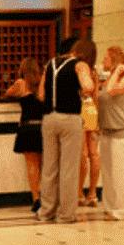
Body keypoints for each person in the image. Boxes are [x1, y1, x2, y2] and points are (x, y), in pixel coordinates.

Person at [37, 39, 95, 224]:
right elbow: (88, 87)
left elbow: (41, 95)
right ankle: (66, 214)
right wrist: (82, 91)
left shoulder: (50, 64)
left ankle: (46, 212)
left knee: (49, 168)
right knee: (69, 168)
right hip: (70, 119)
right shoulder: (80, 65)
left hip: (49, 119)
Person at [98, 46, 124, 220]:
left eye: (106, 58)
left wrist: (118, 71)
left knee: (121, 173)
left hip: (122, 132)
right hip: (107, 131)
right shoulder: (108, 78)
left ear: (114, 60)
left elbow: (111, 91)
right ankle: (110, 207)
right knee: (108, 174)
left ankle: (123, 210)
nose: (102, 61)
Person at [5, 57, 44, 212]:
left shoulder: (21, 83)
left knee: (32, 166)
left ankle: (36, 198)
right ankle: (47, 196)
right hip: (43, 127)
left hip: (27, 128)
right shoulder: (43, 82)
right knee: (44, 166)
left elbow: (8, 93)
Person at [77, 44, 101, 207]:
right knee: (94, 154)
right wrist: (97, 118)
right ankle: (92, 194)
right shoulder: (94, 72)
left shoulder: (79, 69)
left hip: (80, 108)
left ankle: (79, 192)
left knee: (83, 153)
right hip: (91, 108)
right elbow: (96, 95)